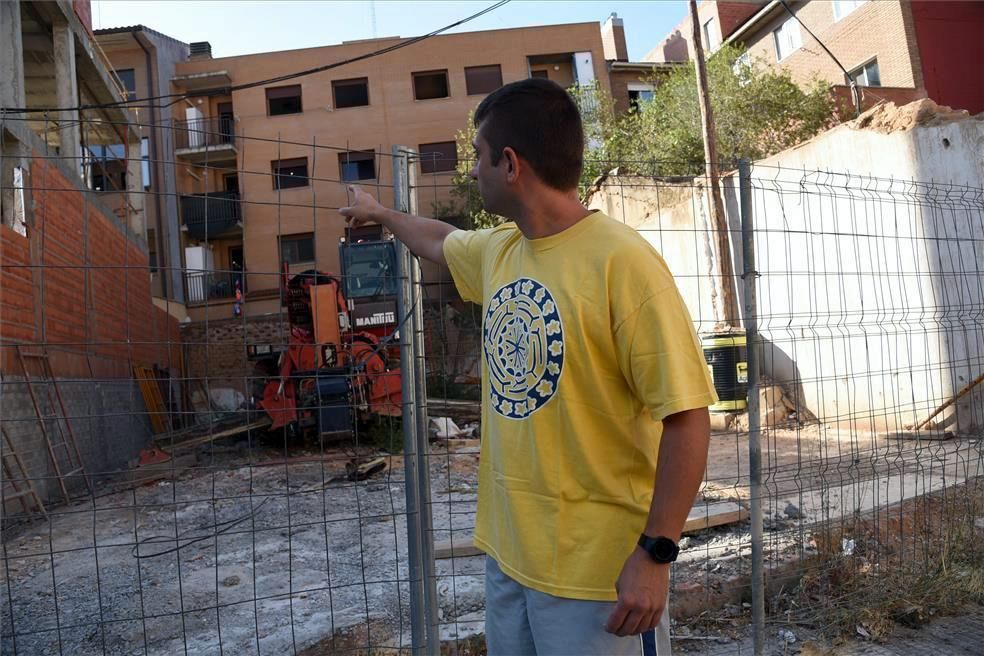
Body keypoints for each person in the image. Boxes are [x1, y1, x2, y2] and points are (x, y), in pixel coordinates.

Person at [340, 78, 716, 656]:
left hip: (600, 581)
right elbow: (440, 241)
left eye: (477, 157)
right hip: (510, 559)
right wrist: (382, 213)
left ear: (510, 164)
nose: (471, 172)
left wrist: (656, 554)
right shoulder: (501, 250)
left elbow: (688, 417)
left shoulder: (624, 263)